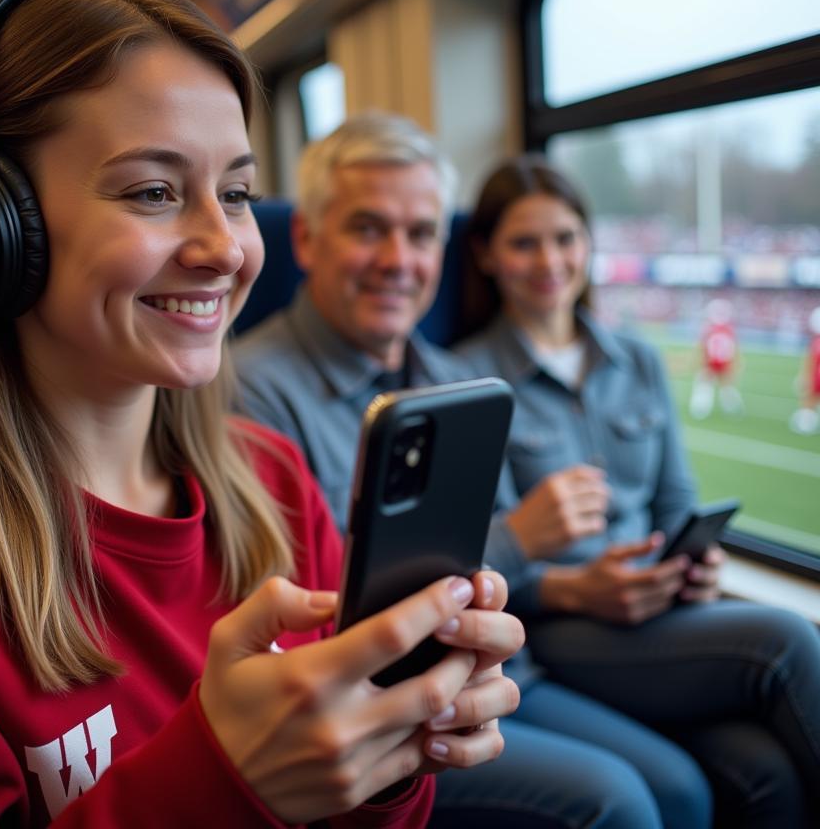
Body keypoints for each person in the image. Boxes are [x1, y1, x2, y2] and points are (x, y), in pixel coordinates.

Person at [0, 0, 524, 827]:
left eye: (238, 193)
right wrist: (225, 785)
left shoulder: (275, 485)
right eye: (153, 191)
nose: (225, 246)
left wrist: (391, 747)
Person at [235, 112, 708, 829]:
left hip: (495, 673)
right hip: (376, 710)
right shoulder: (253, 389)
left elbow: (506, 581)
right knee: (623, 805)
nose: (400, 259)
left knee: (683, 788)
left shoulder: (455, 381)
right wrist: (517, 539)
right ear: (305, 238)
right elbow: (310, 609)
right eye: (369, 229)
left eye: (422, 234)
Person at [455, 153, 820, 829]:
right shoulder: (467, 381)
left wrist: (698, 565)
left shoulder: (640, 358)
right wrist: (574, 588)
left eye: (566, 238)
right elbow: (483, 563)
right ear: (485, 255)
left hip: (660, 616)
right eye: (524, 242)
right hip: (559, 630)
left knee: (763, 772)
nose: (550, 260)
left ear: (588, 245)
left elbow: (678, 504)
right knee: (787, 640)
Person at [688, 297, 744, 419]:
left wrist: (696, 361)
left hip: (710, 362)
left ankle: (700, 410)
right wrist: (736, 363)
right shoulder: (729, 329)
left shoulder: (708, 329)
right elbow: (734, 349)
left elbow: (701, 347)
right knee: (726, 387)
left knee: (704, 387)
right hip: (725, 362)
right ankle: (732, 407)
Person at [789, 305, 820, 434]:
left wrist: (803, 378)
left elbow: (810, 363)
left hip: (816, 377)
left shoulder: (816, 342)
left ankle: (806, 423)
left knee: (808, 400)